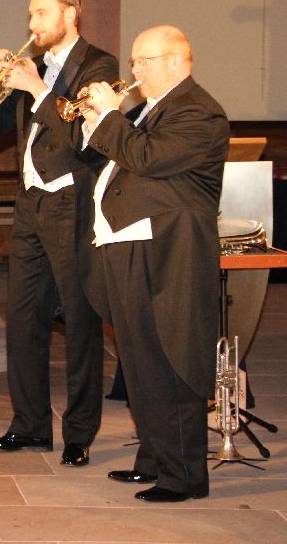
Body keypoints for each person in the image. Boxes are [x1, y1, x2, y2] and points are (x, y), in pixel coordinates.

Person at [0, 0, 118, 467]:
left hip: (73, 205)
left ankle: (79, 432)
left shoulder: (98, 66)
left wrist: (37, 88)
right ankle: (30, 425)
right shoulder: (31, 66)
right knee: (23, 319)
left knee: (80, 321)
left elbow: (83, 137)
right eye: (30, 14)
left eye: (41, 13)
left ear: (70, 14)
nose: (32, 24)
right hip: (31, 204)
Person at [81, 25, 228, 502]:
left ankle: (184, 475)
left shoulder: (198, 112)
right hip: (133, 245)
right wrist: (97, 124)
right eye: (134, 61)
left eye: (144, 61)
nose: (135, 70)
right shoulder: (153, 110)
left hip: (169, 252)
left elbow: (147, 158)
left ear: (177, 60)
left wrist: (109, 115)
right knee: (140, 362)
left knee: (171, 359)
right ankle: (154, 459)